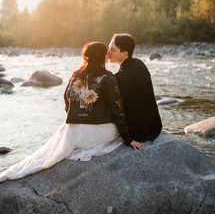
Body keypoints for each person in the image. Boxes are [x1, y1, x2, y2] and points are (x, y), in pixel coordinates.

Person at [0, 42, 142, 183]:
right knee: (116, 132)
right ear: (100, 57)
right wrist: (129, 139)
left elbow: (66, 101)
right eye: (106, 53)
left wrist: (78, 119)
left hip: (73, 128)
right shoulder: (108, 77)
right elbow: (117, 109)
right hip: (98, 131)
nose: (108, 55)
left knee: (44, 154)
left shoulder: (75, 75)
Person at [108, 33, 162, 142]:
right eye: (108, 48)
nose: (108, 53)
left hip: (139, 131)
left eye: (112, 50)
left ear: (125, 54)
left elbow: (113, 106)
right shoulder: (138, 63)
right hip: (154, 125)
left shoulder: (122, 76)